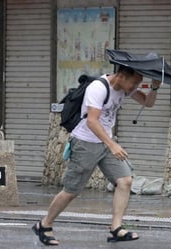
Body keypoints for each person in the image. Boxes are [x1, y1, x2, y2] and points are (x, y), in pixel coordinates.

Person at [32, 65, 161, 246]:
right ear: (122, 76)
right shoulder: (98, 88)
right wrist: (113, 145)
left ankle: (116, 228)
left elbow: (148, 103)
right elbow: (92, 121)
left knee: (125, 181)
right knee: (71, 190)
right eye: (134, 82)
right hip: (85, 143)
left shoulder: (125, 89)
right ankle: (44, 225)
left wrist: (154, 87)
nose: (135, 87)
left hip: (105, 142)